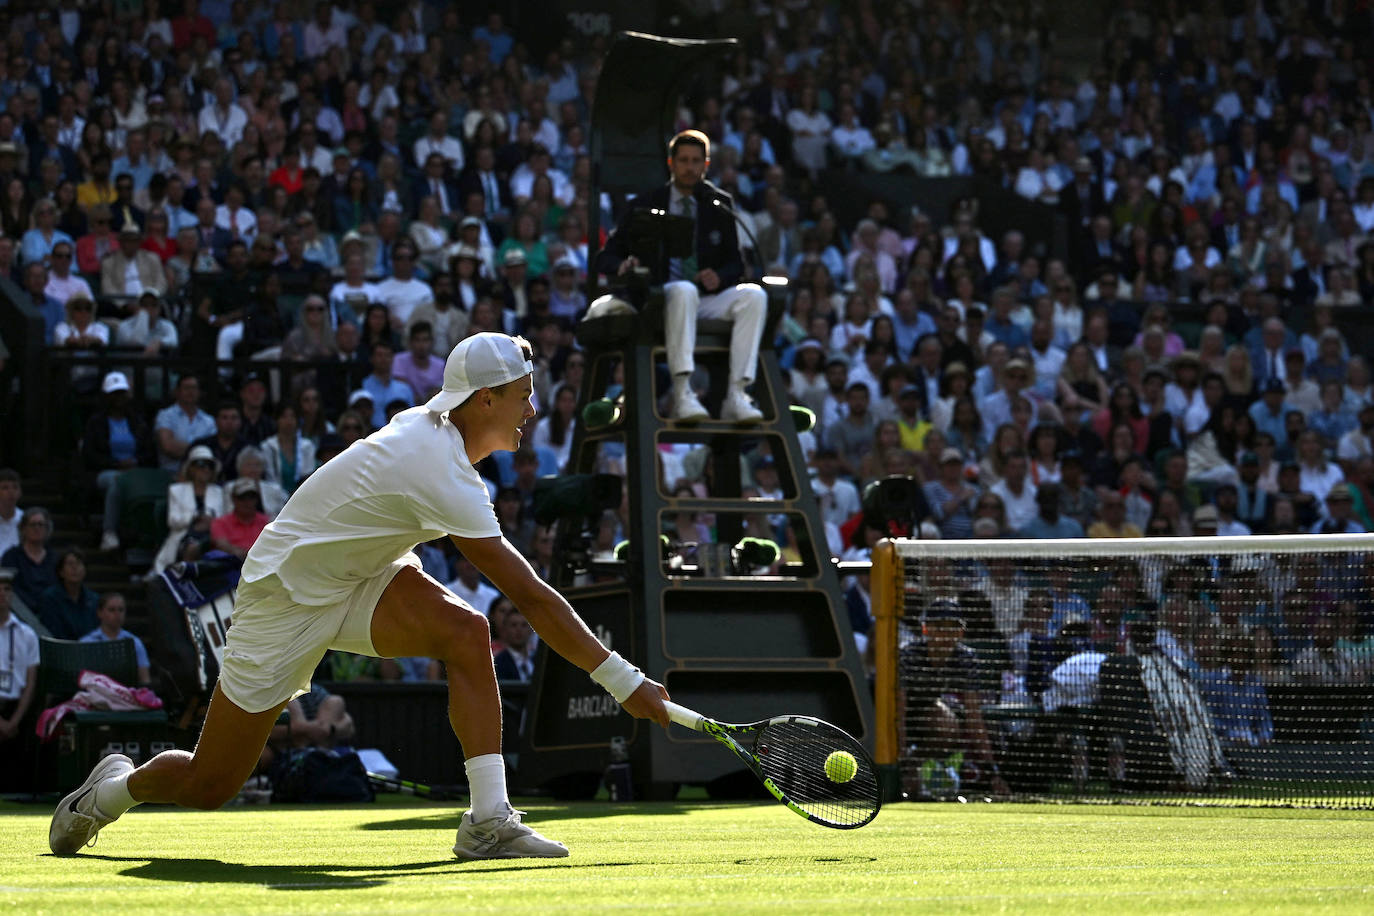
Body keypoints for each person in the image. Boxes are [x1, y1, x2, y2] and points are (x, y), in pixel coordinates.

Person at [51, 332, 671, 860]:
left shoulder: (441, 436)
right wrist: (624, 682)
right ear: (486, 398)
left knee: (466, 632)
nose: (532, 407)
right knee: (210, 783)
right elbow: (531, 599)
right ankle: (111, 792)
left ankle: (488, 821)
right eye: (523, 393)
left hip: (360, 573)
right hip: (284, 593)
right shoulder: (441, 470)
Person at [589, 130, 766, 423]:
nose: (689, 167)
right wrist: (624, 265)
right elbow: (605, 256)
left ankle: (738, 394)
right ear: (671, 163)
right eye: (683, 160)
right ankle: (683, 393)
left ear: (706, 165)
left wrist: (719, 277)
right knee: (684, 289)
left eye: (696, 161)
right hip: (660, 300)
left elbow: (736, 263)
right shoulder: (645, 203)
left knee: (754, 296)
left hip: (705, 298)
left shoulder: (718, 203)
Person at [0, 567, 41, 792]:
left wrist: (13, 721)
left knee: (14, 777)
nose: (2, 594)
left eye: (6, 589)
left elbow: (31, 680)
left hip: (17, 709)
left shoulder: (26, 634)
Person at [79, 593, 152, 686]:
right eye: (111, 610)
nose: (117, 614)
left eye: (121, 610)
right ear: (99, 613)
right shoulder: (86, 642)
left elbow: (145, 679)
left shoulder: (135, 642)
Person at [37, 547, 99, 641]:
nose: (75, 568)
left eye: (78, 563)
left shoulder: (93, 599)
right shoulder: (50, 598)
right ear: (61, 572)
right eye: (70, 564)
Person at [0, 507, 57, 610]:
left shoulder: (54, 558)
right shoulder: (11, 557)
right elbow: (9, 588)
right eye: (32, 524)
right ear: (23, 529)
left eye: (41, 524)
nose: (37, 528)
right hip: (20, 611)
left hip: (50, 611)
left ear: (47, 529)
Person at [209, 478, 271, 560]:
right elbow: (222, 545)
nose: (247, 502)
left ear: (257, 500)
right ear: (233, 499)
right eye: (242, 498)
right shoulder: (220, 523)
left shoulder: (267, 523)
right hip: (232, 565)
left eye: (251, 498)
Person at [492, 608, 536, 681]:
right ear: (505, 629)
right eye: (513, 625)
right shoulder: (498, 664)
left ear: (531, 630)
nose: (519, 630)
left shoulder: (538, 660)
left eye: (524, 625)